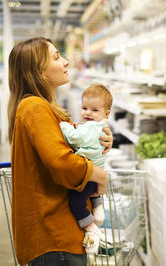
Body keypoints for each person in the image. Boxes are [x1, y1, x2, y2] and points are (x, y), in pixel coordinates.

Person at [7, 37, 113, 266]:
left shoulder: (44, 107)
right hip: (55, 236)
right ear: (38, 71)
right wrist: (101, 176)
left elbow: (62, 140)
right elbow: (61, 162)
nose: (65, 62)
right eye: (56, 57)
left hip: (57, 235)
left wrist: (100, 138)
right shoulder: (34, 107)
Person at [59, 83, 112, 254]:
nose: (88, 113)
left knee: (76, 202)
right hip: (94, 176)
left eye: (94, 110)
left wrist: (63, 126)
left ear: (106, 114)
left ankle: (91, 228)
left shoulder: (91, 127)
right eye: (84, 108)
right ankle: (98, 207)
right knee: (90, 193)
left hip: (87, 174)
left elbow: (75, 138)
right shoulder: (99, 126)